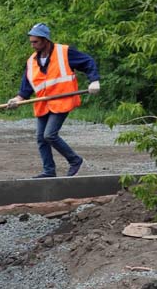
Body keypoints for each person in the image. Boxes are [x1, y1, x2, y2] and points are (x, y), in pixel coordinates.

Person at [7, 23, 99, 178]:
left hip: (62, 100)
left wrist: (94, 80)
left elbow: (88, 62)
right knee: (40, 138)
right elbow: (27, 84)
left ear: (45, 40)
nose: (32, 45)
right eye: (31, 42)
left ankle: (75, 161)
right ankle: (49, 171)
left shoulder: (64, 52)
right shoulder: (32, 61)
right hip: (43, 103)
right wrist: (18, 98)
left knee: (49, 135)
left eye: (35, 42)